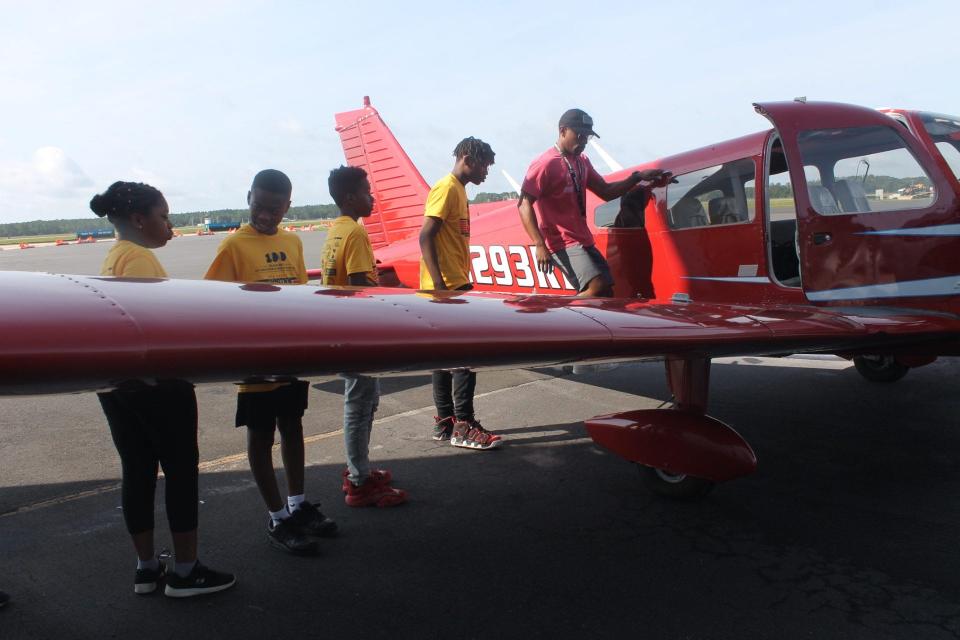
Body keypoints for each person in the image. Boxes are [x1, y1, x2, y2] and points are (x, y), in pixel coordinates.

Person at [90, 181, 235, 597]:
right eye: (164, 216)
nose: (169, 225)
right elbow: (152, 330)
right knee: (180, 471)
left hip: (116, 384)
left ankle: (147, 567)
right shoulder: (139, 262)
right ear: (140, 220)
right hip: (154, 385)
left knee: (137, 471)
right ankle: (186, 571)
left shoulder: (114, 256)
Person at [204, 169, 335, 556]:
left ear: (287, 207)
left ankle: (298, 505)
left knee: (292, 426)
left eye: (275, 209)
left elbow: (299, 295)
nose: (266, 215)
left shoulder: (292, 242)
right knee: (261, 435)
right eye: (259, 206)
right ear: (248, 198)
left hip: (289, 353)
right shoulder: (233, 247)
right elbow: (212, 299)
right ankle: (277, 516)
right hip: (256, 357)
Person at [321, 166, 408, 507]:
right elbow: (360, 287)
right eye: (366, 191)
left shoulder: (337, 231)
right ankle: (358, 481)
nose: (372, 197)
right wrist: (394, 290)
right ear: (350, 198)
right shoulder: (355, 234)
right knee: (359, 406)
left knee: (364, 401)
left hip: (342, 326)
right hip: (356, 331)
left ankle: (360, 469)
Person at [518, 108, 673, 297]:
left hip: (583, 240)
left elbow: (606, 191)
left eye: (587, 137)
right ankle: (553, 312)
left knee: (606, 293)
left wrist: (638, 178)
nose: (583, 141)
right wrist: (539, 244)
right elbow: (524, 203)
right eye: (580, 135)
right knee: (597, 288)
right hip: (562, 242)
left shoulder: (582, 161)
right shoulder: (546, 163)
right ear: (563, 131)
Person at [419, 137, 502, 450]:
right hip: (447, 285)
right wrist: (440, 285)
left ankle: (446, 422)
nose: (486, 172)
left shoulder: (458, 190)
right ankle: (464, 425)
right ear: (468, 158)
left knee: (443, 357)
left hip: (451, 282)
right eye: (484, 165)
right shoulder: (447, 188)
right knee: (464, 357)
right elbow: (426, 234)